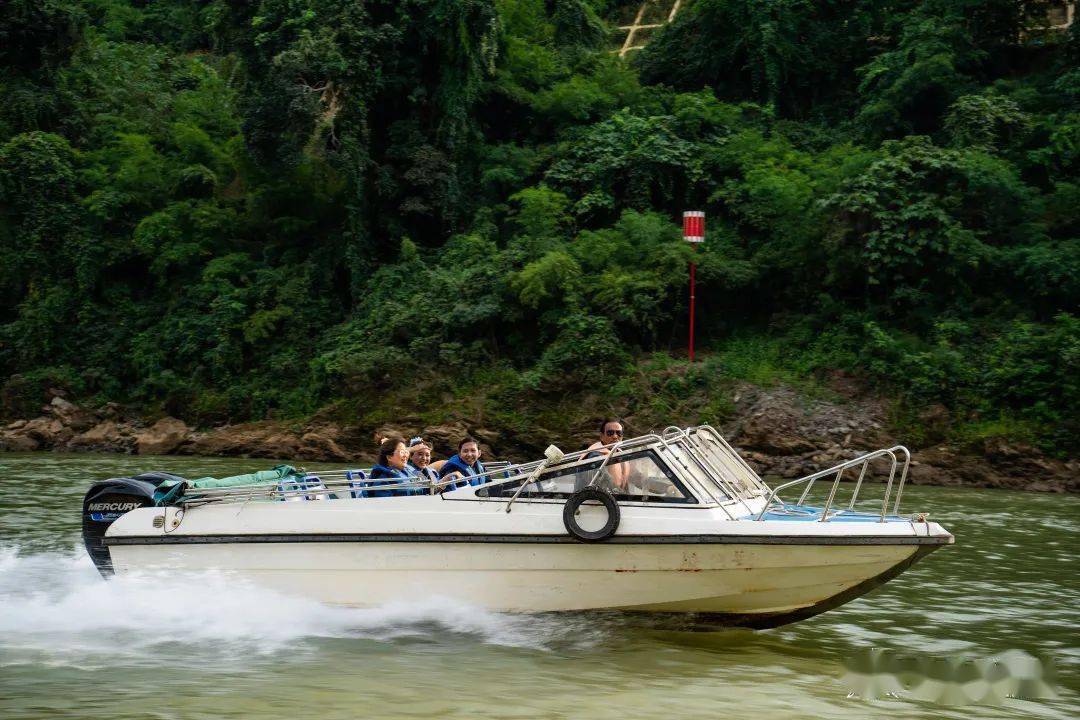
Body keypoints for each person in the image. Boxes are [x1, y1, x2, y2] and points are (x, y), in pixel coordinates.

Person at [586, 419, 629, 491]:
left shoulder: (621, 455)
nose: (615, 436)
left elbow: (637, 477)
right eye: (610, 433)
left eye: (619, 433)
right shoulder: (595, 456)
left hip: (616, 499)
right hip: (593, 500)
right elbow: (606, 480)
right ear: (601, 436)